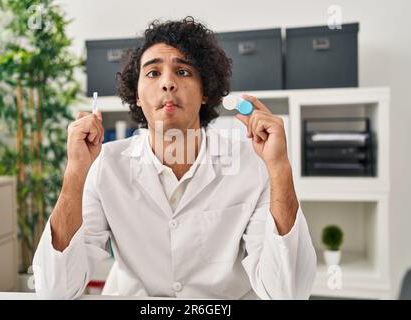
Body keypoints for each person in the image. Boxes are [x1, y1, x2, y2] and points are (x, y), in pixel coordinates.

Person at [33, 16, 316, 299]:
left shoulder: (252, 164)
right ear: (137, 95)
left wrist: (279, 168)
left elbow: (288, 293)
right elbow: (55, 290)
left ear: (205, 91)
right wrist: (75, 172)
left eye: (183, 71)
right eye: (153, 73)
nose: (167, 82)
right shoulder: (105, 165)